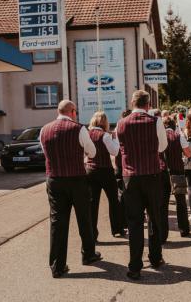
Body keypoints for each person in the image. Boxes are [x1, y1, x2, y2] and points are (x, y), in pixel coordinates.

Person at [40, 100, 102, 278]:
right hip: (76, 179)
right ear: (72, 111)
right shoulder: (79, 128)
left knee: (57, 222)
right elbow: (92, 152)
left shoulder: (44, 130)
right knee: (84, 217)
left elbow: (46, 152)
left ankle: (57, 265)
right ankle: (88, 254)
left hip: (54, 179)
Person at [116, 90, 168, 280]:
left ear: (132, 103)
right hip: (152, 174)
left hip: (130, 176)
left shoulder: (121, 123)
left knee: (134, 222)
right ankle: (155, 258)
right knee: (154, 218)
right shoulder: (155, 121)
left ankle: (135, 265)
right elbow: (162, 147)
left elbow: (119, 147)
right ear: (148, 104)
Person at [86, 111, 124, 241]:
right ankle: (117, 229)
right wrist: (116, 138)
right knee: (113, 200)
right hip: (105, 171)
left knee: (92, 203)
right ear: (105, 122)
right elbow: (114, 151)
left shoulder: (86, 134)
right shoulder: (105, 135)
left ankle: (91, 234)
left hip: (90, 170)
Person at [163, 116, 191, 238]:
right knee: (180, 202)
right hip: (178, 171)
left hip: (163, 172)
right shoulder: (178, 136)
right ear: (174, 125)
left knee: (162, 203)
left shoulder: (159, 136)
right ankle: (184, 230)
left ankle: (163, 233)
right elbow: (188, 153)